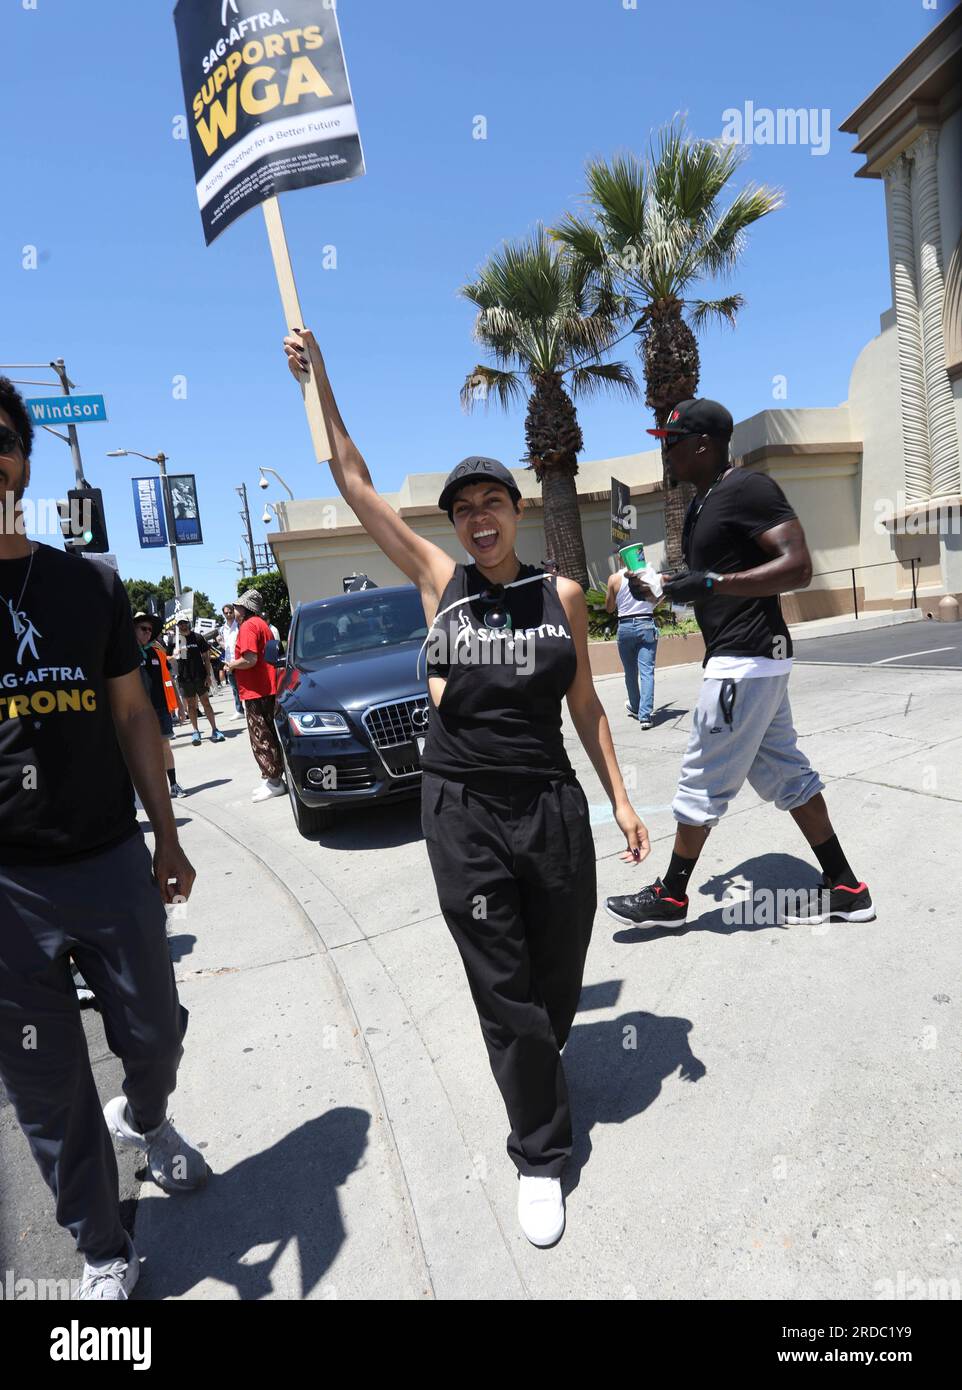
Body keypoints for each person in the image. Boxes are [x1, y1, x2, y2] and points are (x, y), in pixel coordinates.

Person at [283, 329, 649, 1247]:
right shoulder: (439, 582)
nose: (478, 518)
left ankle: (540, 1057)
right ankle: (539, 1153)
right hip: (461, 810)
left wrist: (621, 799)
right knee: (505, 989)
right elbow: (356, 481)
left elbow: (589, 708)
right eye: (463, 509)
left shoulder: (560, 596)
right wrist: (319, 375)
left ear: (517, 511)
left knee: (557, 970)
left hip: (550, 803)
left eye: (492, 502)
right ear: (452, 527)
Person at [0, 377, 207, 1302]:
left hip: (111, 855)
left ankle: (149, 1117)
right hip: (8, 889)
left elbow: (134, 719)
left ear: (25, 461)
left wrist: (166, 834)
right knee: (45, 1086)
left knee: (154, 1034)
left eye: (1, 440)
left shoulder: (90, 583)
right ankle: (100, 1246)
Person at [605, 398, 875, 930]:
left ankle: (672, 895)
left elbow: (798, 566)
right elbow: (716, 580)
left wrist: (710, 584)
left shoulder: (747, 488)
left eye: (672, 441)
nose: (666, 451)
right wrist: (667, 588)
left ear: (703, 444)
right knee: (790, 777)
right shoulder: (706, 501)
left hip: (743, 662)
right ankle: (846, 887)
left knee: (701, 778)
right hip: (753, 660)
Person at [226, 589, 286, 802]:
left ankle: (274, 781)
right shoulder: (262, 625)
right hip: (268, 687)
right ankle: (273, 778)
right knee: (271, 734)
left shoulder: (249, 626)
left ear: (245, 608)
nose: (235, 610)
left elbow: (249, 659)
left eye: (237, 607)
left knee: (261, 737)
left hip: (256, 690)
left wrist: (232, 665)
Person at [134, 612, 186, 798]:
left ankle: (173, 785)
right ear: (133, 629)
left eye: (150, 630)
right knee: (145, 751)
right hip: (139, 712)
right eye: (143, 629)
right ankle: (152, 790)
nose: (147, 633)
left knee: (165, 746)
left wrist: (179, 705)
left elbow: (169, 679)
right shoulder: (126, 654)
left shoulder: (158, 652)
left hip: (161, 708)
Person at [606, 559, 660, 728]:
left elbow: (609, 608)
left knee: (630, 671)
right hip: (646, 624)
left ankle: (636, 706)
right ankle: (645, 716)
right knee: (646, 671)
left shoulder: (614, 578)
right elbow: (658, 598)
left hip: (625, 626)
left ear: (620, 559)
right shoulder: (649, 575)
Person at [174, 618, 225, 746]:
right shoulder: (173, 640)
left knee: (206, 702)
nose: (183, 625)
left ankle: (215, 729)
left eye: (184, 623)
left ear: (188, 623)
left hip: (199, 676)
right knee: (191, 706)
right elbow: (167, 658)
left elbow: (206, 658)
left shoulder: (198, 637)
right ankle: (195, 731)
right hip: (184, 678)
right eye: (180, 623)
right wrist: (174, 654)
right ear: (177, 625)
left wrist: (208, 676)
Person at [221, 602, 245, 719]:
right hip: (229, 661)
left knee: (245, 685)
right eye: (226, 613)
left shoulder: (240, 625)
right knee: (235, 688)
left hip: (240, 660)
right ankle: (239, 710)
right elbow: (226, 646)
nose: (229, 615)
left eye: (230, 612)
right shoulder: (222, 629)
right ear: (223, 614)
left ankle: (249, 708)